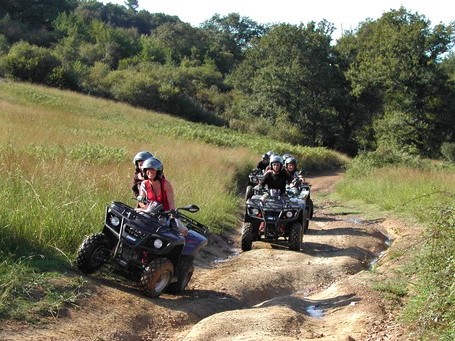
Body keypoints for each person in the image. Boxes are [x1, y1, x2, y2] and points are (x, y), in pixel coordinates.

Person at [135, 157, 188, 236]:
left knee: (183, 231)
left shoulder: (166, 184)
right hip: (150, 212)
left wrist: (172, 216)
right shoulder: (144, 184)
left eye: (153, 170)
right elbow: (141, 200)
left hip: (165, 214)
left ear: (158, 171)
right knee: (135, 223)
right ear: (144, 171)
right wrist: (145, 207)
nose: (150, 172)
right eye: (147, 170)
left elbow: (171, 204)